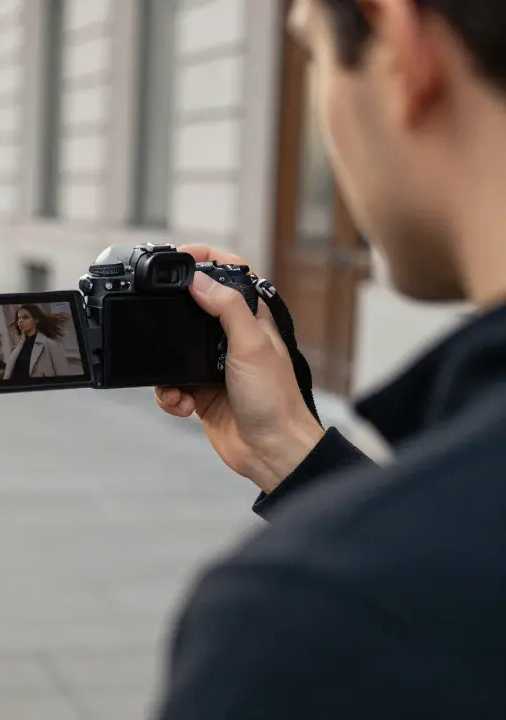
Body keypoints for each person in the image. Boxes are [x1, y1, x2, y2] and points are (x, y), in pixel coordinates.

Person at [149, 1, 506, 716]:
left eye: (311, 54)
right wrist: (291, 451)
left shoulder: (307, 621)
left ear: (401, 47)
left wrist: (338, 549)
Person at [2, 304, 71, 380]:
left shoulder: (50, 345)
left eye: (25, 317)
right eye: (19, 318)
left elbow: (64, 376)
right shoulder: (17, 348)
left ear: (36, 320)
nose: (20, 321)